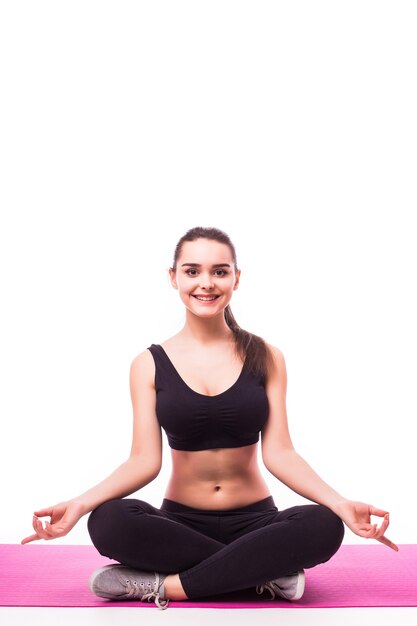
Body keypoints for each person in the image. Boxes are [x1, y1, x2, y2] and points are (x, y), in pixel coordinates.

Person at [21, 226, 398, 611]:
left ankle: (168, 586)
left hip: (257, 523)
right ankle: (262, 572)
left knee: (324, 523)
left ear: (236, 277)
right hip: (180, 525)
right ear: (173, 277)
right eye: (192, 271)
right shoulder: (147, 364)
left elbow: (281, 453)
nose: (206, 283)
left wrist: (340, 503)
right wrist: (79, 504)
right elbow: (143, 461)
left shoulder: (266, 356)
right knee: (108, 520)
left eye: (220, 271)